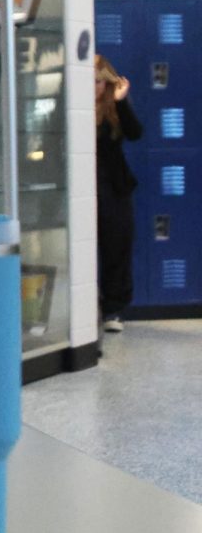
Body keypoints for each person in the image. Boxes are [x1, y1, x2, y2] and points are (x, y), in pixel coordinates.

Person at [95, 54, 142, 333]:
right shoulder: (73, 108)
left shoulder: (114, 108)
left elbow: (135, 133)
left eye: (98, 82)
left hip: (113, 185)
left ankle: (113, 310)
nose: (94, 88)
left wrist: (122, 101)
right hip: (82, 187)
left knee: (116, 246)